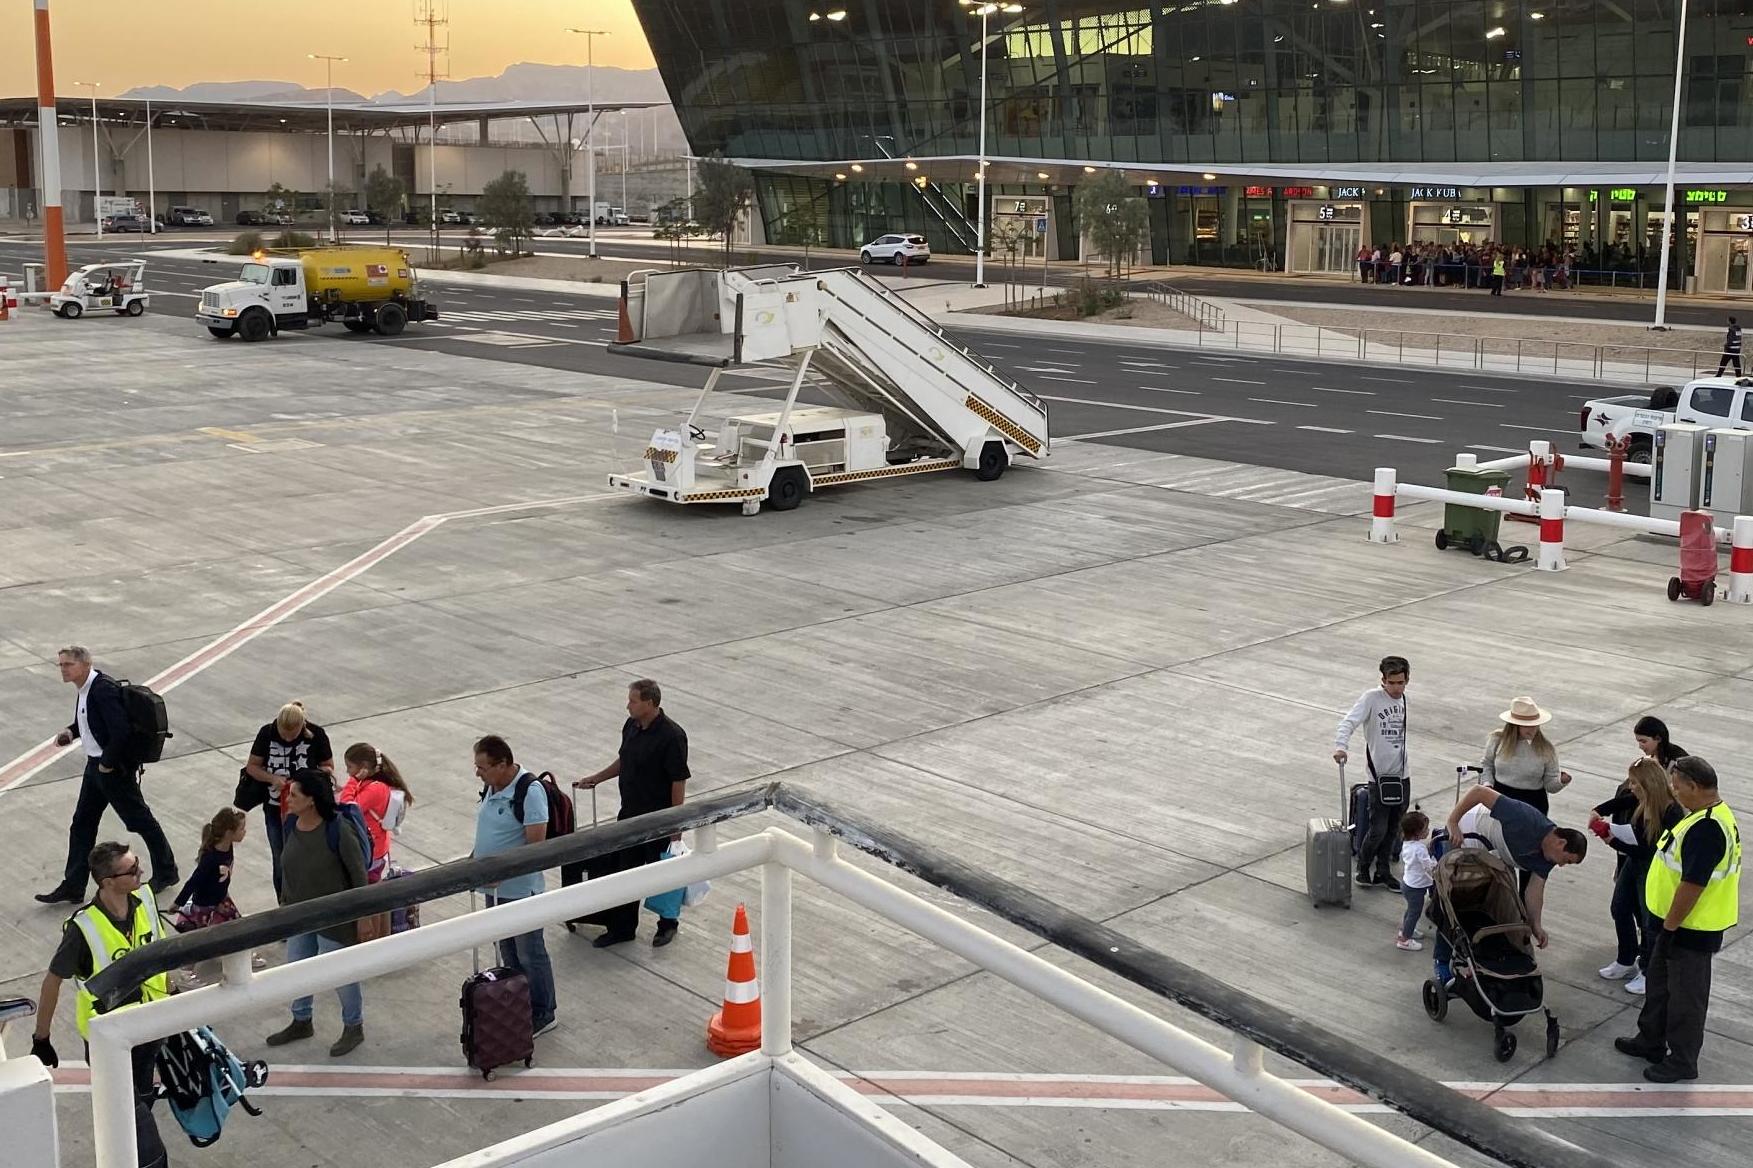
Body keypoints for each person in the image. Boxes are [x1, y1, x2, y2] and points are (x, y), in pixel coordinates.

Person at [31, 842, 172, 1168]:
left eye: (138, 864)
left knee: (140, 1102)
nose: (140, 873)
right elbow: (53, 980)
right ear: (107, 882)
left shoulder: (145, 899)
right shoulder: (84, 929)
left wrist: (173, 995)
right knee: (131, 1115)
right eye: (132, 870)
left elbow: (162, 948)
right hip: (111, 1040)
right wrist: (42, 1037)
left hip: (152, 1025)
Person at [1616, 755, 1740, 1083]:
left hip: (1689, 930)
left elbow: (1692, 884)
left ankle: (1683, 1060)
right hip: (1669, 925)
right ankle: (1650, 1040)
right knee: (1659, 986)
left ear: (1694, 786)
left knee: (1686, 998)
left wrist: (1670, 928)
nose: (1673, 790)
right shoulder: (1700, 816)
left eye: (1677, 785)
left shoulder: (1708, 828)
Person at [36, 646, 179, 905]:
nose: (63, 669)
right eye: (61, 665)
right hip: (95, 769)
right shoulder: (85, 689)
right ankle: (73, 885)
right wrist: (71, 732)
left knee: (140, 821)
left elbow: (120, 731)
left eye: (68, 664)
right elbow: (89, 721)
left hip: (111, 770)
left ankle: (167, 871)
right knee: (82, 824)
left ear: (85, 664)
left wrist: (108, 764)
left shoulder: (102, 690)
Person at [575, 679, 691, 947]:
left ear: (650, 703)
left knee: (662, 873)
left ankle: (667, 924)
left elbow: (678, 780)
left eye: (633, 701)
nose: (628, 705)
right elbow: (625, 759)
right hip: (629, 815)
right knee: (625, 872)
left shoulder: (672, 736)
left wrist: (676, 823)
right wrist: (598, 777)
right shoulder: (631, 726)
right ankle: (623, 928)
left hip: (658, 819)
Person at [1436, 785, 1588, 983]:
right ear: (1560, 843)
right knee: (1452, 898)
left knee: (1499, 902)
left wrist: (1536, 926)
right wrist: (1453, 821)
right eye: (1566, 860)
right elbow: (1479, 792)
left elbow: (1534, 892)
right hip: (1469, 830)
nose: (1561, 865)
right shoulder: (1525, 819)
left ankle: (1482, 959)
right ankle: (1441, 960)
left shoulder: (1547, 858)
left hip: (1497, 851)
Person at [265, 769, 368, 1057]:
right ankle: (301, 1020)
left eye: (294, 795)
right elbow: (287, 866)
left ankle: (353, 1026)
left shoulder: (337, 829)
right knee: (298, 968)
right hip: (299, 915)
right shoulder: (291, 824)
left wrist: (364, 917)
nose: (288, 799)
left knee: (340, 974)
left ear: (311, 800)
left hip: (335, 918)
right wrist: (285, 903)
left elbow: (359, 876)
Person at [471, 735, 557, 1037]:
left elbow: (536, 847)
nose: (477, 773)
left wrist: (502, 873)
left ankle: (544, 1012)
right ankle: (520, 1006)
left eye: (482, 767)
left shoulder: (529, 792)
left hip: (519, 892)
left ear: (504, 764)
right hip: (494, 890)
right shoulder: (493, 785)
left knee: (530, 953)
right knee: (508, 952)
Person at [1591, 758, 1678, 995]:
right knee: (1619, 907)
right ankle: (1626, 959)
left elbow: (1653, 851)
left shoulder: (1672, 812)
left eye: (1635, 782)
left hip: (1653, 868)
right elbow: (1624, 800)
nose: (1631, 787)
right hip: (1634, 862)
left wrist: (1614, 841)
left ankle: (1649, 971)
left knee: (1650, 922)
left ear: (1649, 784)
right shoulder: (1644, 799)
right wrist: (1599, 810)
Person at [1333, 655, 1410, 892]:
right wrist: (1340, 746)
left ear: (1407, 680)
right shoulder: (1371, 699)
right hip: (1378, 778)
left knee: (1395, 827)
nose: (1397, 688)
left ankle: (1383, 872)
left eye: (1401, 682)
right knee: (1378, 829)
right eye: (1392, 683)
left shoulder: (1404, 700)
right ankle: (1364, 868)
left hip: (1402, 776)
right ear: (1383, 680)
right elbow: (1348, 722)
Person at [243, 701, 334, 900]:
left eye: (292, 736)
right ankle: (283, 900)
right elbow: (252, 767)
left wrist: (306, 779)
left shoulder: (316, 734)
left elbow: (328, 767)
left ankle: (307, 897)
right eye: (283, 734)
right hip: (275, 808)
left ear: (302, 726)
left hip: (307, 811)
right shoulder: (267, 733)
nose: (286, 739)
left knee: (308, 856)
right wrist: (272, 778)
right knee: (280, 857)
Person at [1480, 697, 1572, 817]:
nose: (1533, 729)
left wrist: (1562, 781)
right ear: (1514, 725)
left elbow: (1550, 786)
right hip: (1499, 797)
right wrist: (1487, 785)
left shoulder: (1546, 748)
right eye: (1527, 725)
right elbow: (1487, 764)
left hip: (1532, 804)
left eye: (1535, 725)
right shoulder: (1497, 740)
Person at [339, 743, 415, 881]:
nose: (347, 771)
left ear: (364, 768)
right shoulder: (373, 784)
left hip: (371, 852)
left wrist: (353, 780)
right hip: (377, 847)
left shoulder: (375, 789)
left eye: (350, 767)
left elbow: (348, 808)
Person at [1396, 812, 1434, 952]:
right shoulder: (1420, 848)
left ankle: (1405, 930)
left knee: (1410, 910)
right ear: (1417, 833)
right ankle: (1405, 940)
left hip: (1407, 884)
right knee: (1415, 912)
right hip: (1416, 887)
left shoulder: (1407, 844)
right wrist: (1437, 863)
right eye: (1425, 829)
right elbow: (1428, 866)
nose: (1428, 831)